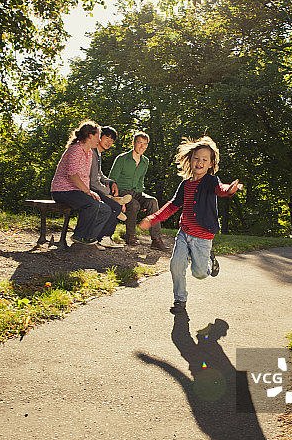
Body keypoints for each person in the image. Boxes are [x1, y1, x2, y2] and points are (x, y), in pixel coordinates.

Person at [138, 136, 242, 312]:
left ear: (210, 164)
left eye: (204, 160)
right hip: (184, 233)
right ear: (190, 159)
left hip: (203, 238)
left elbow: (220, 189)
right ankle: (180, 299)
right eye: (196, 158)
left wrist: (229, 189)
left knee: (199, 273)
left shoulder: (210, 181)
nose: (199, 162)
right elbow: (172, 205)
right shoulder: (185, 184)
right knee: (175, 265)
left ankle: (210, 261)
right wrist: (153, 218)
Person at [50, 120, 120, 248]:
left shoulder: (88, 152)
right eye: (98, 136)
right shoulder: (76, 149)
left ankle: (90, 237)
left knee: (105, 208)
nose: (99, 139)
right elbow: (73, 175)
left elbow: (86, 177)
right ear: (90, 136)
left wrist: (89, 191)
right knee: (92, 204)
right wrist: (88, 192)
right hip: (63, 191)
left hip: (77, 190)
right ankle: (79, 235)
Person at [109, 131, 167, 250]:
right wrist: (118, 199)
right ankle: (130, 236)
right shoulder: (122, 158)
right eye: (140, 143)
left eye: (145, 144)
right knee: (134, 205)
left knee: (152, 201)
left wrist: (143, 200)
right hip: (123, 192)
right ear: (134, 143)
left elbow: (141, 181)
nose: (142, 146)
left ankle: (156, 240)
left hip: (137, 192)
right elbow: (112, 180)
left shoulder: (145, 161)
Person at [89, 125, 132, 247]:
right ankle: (101, 238)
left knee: (115, 206)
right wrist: (109, 191)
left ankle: (103, 238)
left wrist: (111, 182)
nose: (109, 142)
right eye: (107, 138)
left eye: (112, 140)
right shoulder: (92, 153)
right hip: (88, 189)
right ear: (99, 137)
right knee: (115, 207)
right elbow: (93, 181)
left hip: (95, 188)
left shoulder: (98, 153)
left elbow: (99, 174)